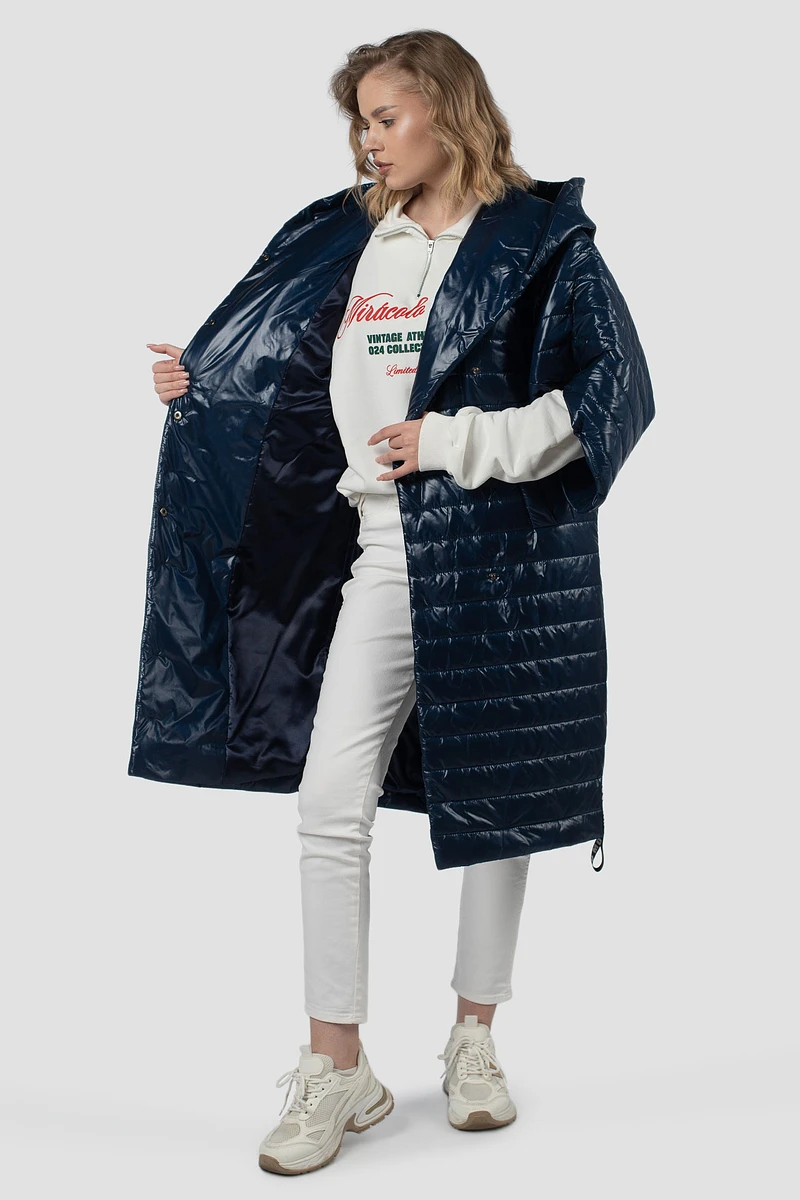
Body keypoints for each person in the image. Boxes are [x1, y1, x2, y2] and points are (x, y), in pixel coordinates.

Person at [138, 29, 654, 1177]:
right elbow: (282, 367)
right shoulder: (349, 234)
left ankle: (474, 1038)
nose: (368, 140)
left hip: (501, 554)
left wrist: (456, 441)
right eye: (360, 121)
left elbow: (615, 394)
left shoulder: (539, 243)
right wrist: (200, 385)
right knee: (331, 799)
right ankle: (337, 1066)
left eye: (386, 117)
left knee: (497, 799)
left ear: (448, 111)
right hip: (380, 546)